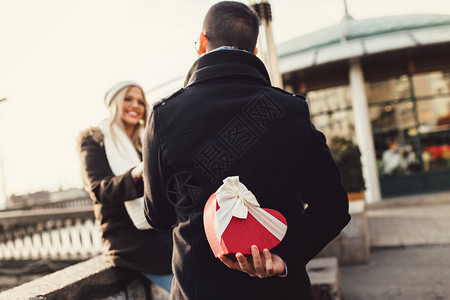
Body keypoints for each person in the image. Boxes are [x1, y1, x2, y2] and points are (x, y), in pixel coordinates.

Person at [143, 2, 350, 299]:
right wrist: (284, 258)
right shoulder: (291, 109)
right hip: (281, 291)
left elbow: (158, 215)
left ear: (202, 41)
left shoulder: (164, 116)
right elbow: (332, 205)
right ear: (254, 52)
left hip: (199, 290)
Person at [78, 81, 173, 292]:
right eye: (128, 99)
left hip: (160, 228)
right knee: (186, 287)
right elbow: (97, 189)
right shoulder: (94, 140)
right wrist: (134, 174)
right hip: (128, 237)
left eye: (140, 101)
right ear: (115, 103)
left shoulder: (148, 138)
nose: (136, 105)